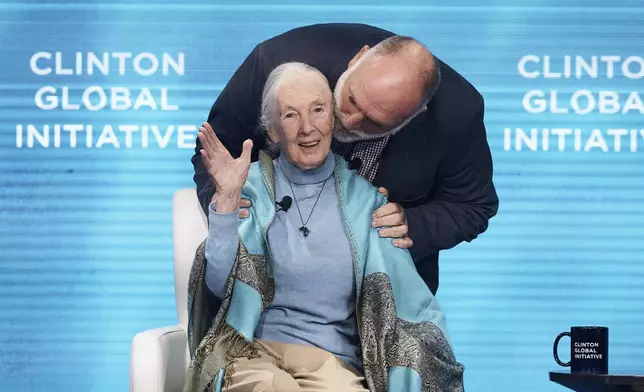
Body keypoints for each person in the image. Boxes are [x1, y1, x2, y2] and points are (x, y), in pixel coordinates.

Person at [183, 63, 464, 392]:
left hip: (334, 362)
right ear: (272, 130)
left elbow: (412, 307)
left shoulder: (367, 205)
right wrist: (228, 201)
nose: (307, 127)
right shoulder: (250, 188)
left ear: (332, 118)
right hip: (250, 353)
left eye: (318, 110)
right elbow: (218, 286)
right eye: (290, 115)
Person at [191, 23, 499, 296]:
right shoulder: (275, 64)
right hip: (271, 285)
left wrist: (409, 225)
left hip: (383, 294)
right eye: (351, 98)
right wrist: (226, 211)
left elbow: (472, 206)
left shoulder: (457, 113)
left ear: (415, 116)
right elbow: (216, 155)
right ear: (357, 58)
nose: (349, 121)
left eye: (374, 122)